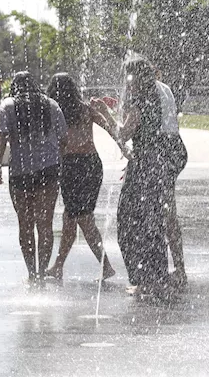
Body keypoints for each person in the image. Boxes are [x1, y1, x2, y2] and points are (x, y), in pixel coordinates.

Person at [43, 73, 127, 281]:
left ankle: (105, 266)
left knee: (83, 219)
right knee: (70, 218)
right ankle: (58, 266)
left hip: (72, 167)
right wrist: (124, 149)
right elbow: (110, 129)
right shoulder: (84, 109)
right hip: (90, 165)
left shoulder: (55, 112)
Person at [0, 71, 66, 281]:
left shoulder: (8, 105)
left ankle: (32, 273)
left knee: (25, 226)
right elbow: (64, 138)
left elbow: (2, 138)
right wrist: (55, 158)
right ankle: (43, 271)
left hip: (20, 173)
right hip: (48, 171)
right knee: (45, 225)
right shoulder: (51, 105)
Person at [113, 57, 176, 298]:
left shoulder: (139, 100)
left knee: (128, 223)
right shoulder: (156, 97)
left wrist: (105, 116)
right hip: (157, 164)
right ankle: (158, 279)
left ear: (134, 77)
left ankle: (142, 280)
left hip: (143, 167)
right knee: (153, 221)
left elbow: (123, 132)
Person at [155, 75, 189, 284]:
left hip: (163, 149)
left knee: (162, 213)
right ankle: (177, 267)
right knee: (165, 210)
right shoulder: (164, 87)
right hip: (175, 146)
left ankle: (169, 271)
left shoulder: (146, 91)